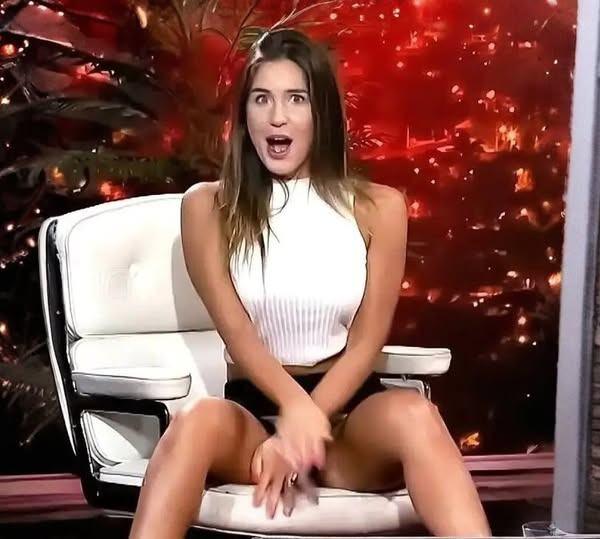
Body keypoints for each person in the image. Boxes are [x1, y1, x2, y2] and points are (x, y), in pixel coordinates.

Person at [128, 28, 491, 538]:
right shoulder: (208, 207)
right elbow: (238, 335)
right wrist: (291, 417)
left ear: (321, 113)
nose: (277, 116)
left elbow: (366, 342)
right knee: (194, 424)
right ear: (244, 115)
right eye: (262, 99)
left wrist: (311, 419)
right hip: (254, 420)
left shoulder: (380, 208)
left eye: (296, 99)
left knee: (415, 413)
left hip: (347, 423)